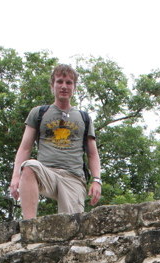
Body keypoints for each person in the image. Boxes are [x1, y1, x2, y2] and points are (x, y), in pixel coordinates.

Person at [10, 64, 101, 219]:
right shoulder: (39, 113)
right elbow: (25, 148)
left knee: (72, 227)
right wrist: (15, 177)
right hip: (47, 172)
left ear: (74, 87)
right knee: (29, 166)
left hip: (73, 176)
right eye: (59, 82)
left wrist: (97, 180)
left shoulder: (84, 118)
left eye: (68, 82)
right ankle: (29, 225)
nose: (64, 86)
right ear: (52, 85)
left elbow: (92, 153)